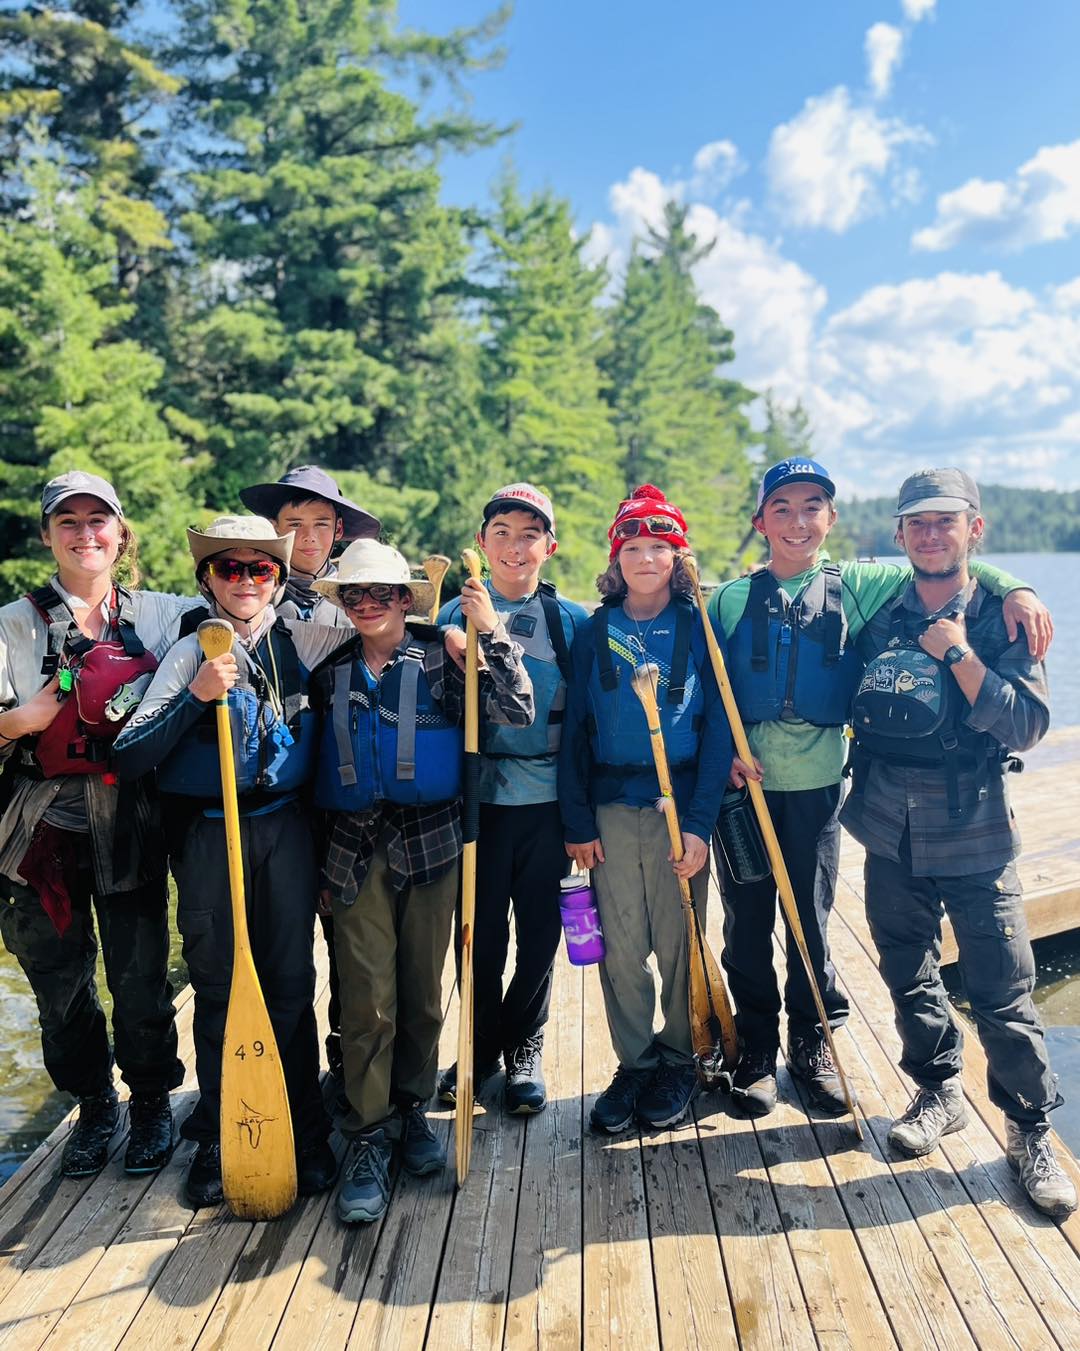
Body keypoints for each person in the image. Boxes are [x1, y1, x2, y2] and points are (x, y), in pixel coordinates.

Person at [709, 458, 1052, 1119]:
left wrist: (1020, 588)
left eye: (813, 507)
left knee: (809, 924)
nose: (798, 520)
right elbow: (705, 687)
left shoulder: (862, 585)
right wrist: (722, 753)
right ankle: (755, 1048)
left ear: (832, 520)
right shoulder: (729, 598)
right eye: (781, 508)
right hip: (746, 795)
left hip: (820, 790)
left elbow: (957, 569)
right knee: (747, 923)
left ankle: (810, 1044)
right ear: (759, 522)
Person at [842, 468, 1075, 1218]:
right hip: (887, 824)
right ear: (901, 534)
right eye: (918, 523)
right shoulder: (879, 612)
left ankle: (1030, 1127)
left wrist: (960, 655)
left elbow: (1029, 727)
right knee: (907, 969)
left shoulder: (1004, 619)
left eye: (948, 521)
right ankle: (938, 1088)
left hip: (974, 825)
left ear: (976, 528)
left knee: (1004, 991)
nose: (933, 533)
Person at [114, 515, 351, 1208]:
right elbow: (129, 755)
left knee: (288, 984)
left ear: (278, 577)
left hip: (285, 832)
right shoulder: (190, 650)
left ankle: (305, 1130)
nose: (245, 581)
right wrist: (195, 698)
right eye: (229, 569)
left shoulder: (306, 634)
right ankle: (221, 1135)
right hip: (212, 838)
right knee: (218, 989)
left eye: (261, 569)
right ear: (206, 578)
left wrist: (452, 632)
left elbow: (391, 631)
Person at [310, 539, 533, 1225]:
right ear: (344, 605)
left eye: (383, 592)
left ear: (406, 598)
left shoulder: (446, 653)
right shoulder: (331, 670)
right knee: (367, 1000)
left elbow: (516, 709)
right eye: (355, 594)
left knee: (422, 996)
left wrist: (489, 637)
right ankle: (369, 1133)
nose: (369, 603)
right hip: (352, 850)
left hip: (433, 843)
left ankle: (412, 1111)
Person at [0, 471, 197, 1179]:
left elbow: (242, 602)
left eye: (99, 521)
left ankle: (148, 1101)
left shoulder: (161, 612)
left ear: (121, 532)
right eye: (69, 523)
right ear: (48, 535)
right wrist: (23, 719)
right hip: (39, 829)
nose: (86, 534)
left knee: (141, 973)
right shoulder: (12, 624)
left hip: (130, 818)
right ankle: (92, 1102)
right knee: (59, 982)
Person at [558, 484, 732, 1133]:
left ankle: (680, 1056)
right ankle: (635, 1061)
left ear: (678, 555)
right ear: (617, 555)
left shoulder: (697, 626)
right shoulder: (595, 628)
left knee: (678, 936)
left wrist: (699, 824)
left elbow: (718, 733)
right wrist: (575, 821)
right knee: (621, 946)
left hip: (677, 807)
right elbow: (575, 729)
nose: (647, 557)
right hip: (610, 809)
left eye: (660, 546)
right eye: (634, 546)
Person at [434, 484, 586, 1115]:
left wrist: (583, 812)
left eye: (530, 535)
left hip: (548, 801)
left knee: (540, 935)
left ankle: (523, 1046)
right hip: (479, 802)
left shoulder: (568, 620)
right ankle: (478, 1042)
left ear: (549, 546)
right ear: (481, 543)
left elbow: (584, 722)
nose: (516, 546)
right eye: (502, 532)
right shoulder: (450, 616)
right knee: (479, 936)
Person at [240, 465, 382, 1086]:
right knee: (286, 946)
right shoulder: (247, 592)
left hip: (351, 793)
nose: (307, 537)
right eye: (293, 524)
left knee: (355, 944)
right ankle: (281, 1077)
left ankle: (348, 1064)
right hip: (282, 797)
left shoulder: (363, 594)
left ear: (340, 532)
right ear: (274, 530)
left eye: (321, 524)